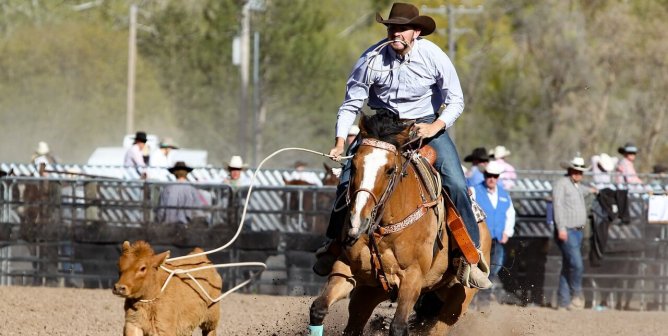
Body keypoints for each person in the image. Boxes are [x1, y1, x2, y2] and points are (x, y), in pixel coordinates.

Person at [315, 2, 491, 289]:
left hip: (424, 125)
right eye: (391, 28)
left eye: (401, 28)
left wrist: (434, 126)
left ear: (416, 32)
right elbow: (351, 104)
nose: (395, 33)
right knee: (348, 178)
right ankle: (333, 245)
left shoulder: (434, 57)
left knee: (456, 184)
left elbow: (456, 100)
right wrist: (338, 142)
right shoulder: (371, 59)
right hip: (381, 126)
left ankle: (470, 258)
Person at [552, 154, 593, 311]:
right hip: (567, 230)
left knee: (568, 265)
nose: (578, 174)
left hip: (577, 231)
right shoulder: (562, 184)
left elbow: (583, 190)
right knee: (577, 264)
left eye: (580, 171)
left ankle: (563, 301)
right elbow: (558, 206)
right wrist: (561, 228)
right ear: (570, 170)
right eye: (576, 171)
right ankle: (577, 293)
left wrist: (593, 190)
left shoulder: (576, 186)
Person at [471, 161, 516, 286]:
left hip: (497, 238)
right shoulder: (474, 191)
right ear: (485, 175)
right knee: (478, 267)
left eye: (495, 176)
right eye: (489, 175)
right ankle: (478, 295)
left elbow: (510, 213)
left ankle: (484, 295)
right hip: (479, 239)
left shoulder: (504, 194)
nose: (491, 179)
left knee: (495, 266)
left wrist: (507, 232)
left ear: (498, 178)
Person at [155, 161, 206, 226]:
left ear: (174, 173)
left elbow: (161, 212)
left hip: (169, 227)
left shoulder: (167, 190)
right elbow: (198, 211)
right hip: (186, 226)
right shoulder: (192, 190)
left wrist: (158, 223)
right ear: (186, 173)